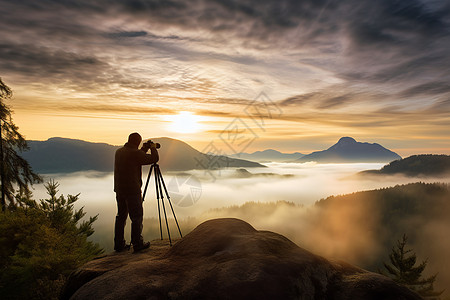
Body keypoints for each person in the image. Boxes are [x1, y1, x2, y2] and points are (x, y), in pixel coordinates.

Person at [114, 132, 159, 252]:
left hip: (119, 189)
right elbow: (154, 159)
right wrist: (153, 148)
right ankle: (137, 244)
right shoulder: (135, 153)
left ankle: (119, 245)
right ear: (138, 142)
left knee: (121, 216)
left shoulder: (119, 152)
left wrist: (143, 149)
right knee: (137, 217)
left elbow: (136, 157)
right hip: (132, 190)